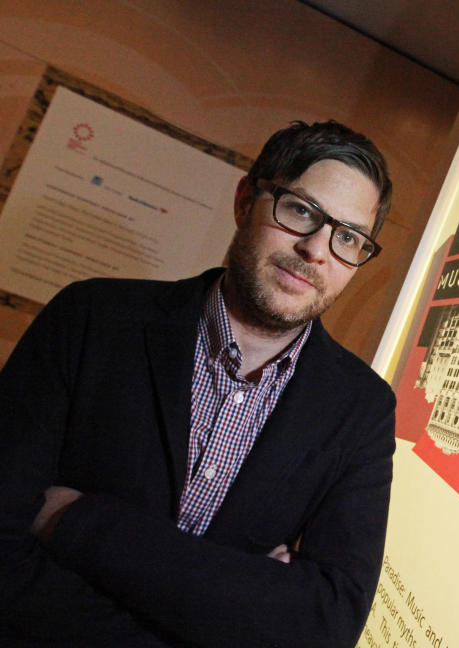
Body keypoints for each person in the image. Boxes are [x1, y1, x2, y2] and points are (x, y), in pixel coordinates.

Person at [0, 120, 396, 647]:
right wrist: (242, 593)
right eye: (301, 210)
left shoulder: (362, 408)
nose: (316, 250)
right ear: (244, 202)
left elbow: (322, 625)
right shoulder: (92, 317)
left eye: (348, 237)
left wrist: (73, 521)